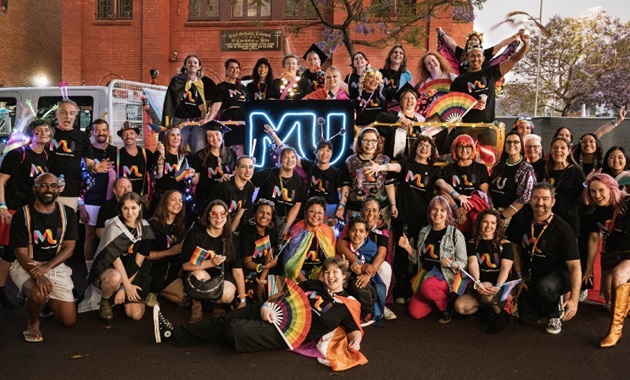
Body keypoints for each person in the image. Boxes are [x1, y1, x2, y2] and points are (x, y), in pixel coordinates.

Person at [153, 257, 367, 371]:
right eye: (327, 272)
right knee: (228, 319)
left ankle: (222, 338)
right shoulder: (312, 284)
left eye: (335, 273)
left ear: (344, 276)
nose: (330, 277)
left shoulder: (346, 304)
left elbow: (354, 329)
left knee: (233, 330)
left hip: (286, 334)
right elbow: (284, 292)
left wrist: (355, 343)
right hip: (271, 311)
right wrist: (267, 306)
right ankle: (174, 333)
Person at [368, 136, 471, 302]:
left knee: (418, 256)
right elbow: (394, 167)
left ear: (431, 152)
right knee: (401, 255)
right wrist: (380, 167)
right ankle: (400, 292)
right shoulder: (406, 164)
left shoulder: (433, 171)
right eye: (421, 145)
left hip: (423, 220)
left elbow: (444, 185)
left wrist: (457, 196)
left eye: (428, 147)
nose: (424, 148)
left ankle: (415, 290)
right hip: (403, 217)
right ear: (415, 147)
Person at [9, 173, 78, 341]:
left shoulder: (67, 214)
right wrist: (38, 274)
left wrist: (46, 269)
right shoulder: (22, 215)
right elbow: (20, 253)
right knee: (38, 294)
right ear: (35, 188)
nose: (49, 190)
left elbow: (69, 248)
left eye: (53, 186)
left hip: (54, 265)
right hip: (27, 264)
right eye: (43, 185)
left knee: (68, 321)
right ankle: (33, 321)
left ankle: (43, 302)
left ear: (59, 189)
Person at [507, 182, 581, 334]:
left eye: (545, 199)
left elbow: (575, 266)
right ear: (530, 199)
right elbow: (513, 246)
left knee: (546, 287)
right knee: (525, 318)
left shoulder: (563, 229)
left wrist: (574, 299)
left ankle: (554, 314)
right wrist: (519, 275)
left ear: (553, 202)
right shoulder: (521, 221)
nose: (540, 203)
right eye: (536, 198)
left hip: (558, 276)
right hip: (531, 275)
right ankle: (545, 302)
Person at [0, 119, 52, 309]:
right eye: (38, 131)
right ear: (31, 134)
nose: (43, 133)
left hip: (31, 210)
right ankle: (1, 289)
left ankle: (25, 290)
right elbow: (1, 180)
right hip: (13, 208)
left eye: (46, 130)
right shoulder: (18, 154)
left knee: (29, 249)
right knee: (8, 251)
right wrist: (2, 206)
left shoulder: (45, 155)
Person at [398, 195, 467, 323]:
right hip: (426, 275)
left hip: (447, 276)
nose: (438, 213)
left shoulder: (455, 234)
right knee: (415, 313)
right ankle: (435, 300)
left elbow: (464, 263)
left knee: (428, 287)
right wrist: (407, 247)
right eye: (434, 209)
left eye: (442, 210)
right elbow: (418, 260)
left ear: (447, 213)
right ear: (430, 212)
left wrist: (453, 263)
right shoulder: (424, 232)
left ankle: (446, 306)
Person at [89, 192, 155, 322]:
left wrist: (126, 288)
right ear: (120, 209)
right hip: (112, 268)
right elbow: (115, 260)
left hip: (133, 271)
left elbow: (138, 263)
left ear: (140, 208)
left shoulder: (146, 228)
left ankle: (123, 297)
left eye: (133, 208)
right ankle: (106, 300)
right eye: (125, 208)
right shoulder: (113, 227)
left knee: (135, 315)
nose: (130, 212)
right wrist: (124, 286)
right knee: (115, 277)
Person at [581, 173, 630, 347]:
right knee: (609, 298)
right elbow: (594, 240)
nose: (597, 195)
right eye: (593, 192)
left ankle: (615, 332)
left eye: (601, 190)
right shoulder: (593, 211)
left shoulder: (626, 204)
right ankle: (627, 303)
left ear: (611, 188)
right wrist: (588, 269)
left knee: (619, 275)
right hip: (611, 253)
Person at [180, 200, 245, 323]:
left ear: (227, 216)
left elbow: (237, 271)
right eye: (214, 214)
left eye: (223, 213)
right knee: (197, 276)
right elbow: (185, 266)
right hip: (201, 272)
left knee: (228, 294)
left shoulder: (233, 239)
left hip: (221, 276)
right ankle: (196, 303)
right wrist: (211, 263)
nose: (219, 217)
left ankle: (217, 304)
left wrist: (243, 300)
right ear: (208, 216)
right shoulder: (196, 233)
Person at [454, 209, 514, 334]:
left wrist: (497, 286)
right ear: (479, 223)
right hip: (479, 284)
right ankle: (487, 310)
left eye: (492, 223)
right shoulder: (472, 243)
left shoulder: (505, 244)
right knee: (460, 307)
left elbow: (505, 268)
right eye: (485, 222)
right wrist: (477, 282)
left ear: (497, 225)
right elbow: (473, 263)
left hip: (499, 285)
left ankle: (499, 315)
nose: (488, 226)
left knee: (487, 291)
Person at [449, 30, 530, 123]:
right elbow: (451, 102)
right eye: (472, 56)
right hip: (466, 126)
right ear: (467, 58)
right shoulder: (459, 80)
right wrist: (471, 104)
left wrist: (525, 45)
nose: (476, 59)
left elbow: (513, 60)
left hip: (488, 126)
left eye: (479, 56)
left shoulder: (491, 72)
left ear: (483, 58)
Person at [337, 199, 395, 322]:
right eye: (367, 209)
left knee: (385, 268)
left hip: (372, 263)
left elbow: (381, 254)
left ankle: (381, 303)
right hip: (354, 261)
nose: (370, 214)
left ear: (379, 212)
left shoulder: (382, 228)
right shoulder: (354, 223)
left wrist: (368, 273)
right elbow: (341, 245)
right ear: (362, 210)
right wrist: (360, 265)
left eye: (374, 210)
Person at [264, 127, 342, 217]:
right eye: (322, 150)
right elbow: (288, 152)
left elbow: (340, 193)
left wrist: (341, 207)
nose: (325, 153)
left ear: (331, 154)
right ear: (316, 153)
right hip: (312, 208)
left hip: (330, 209)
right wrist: (274, 135)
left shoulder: (337, 173)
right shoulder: (310, 167)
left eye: (328, 150)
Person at [48, 99, 111, 210]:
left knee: (66, 224)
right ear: (57, 114)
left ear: (75, 116)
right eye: (63, 112)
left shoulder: (82, 137)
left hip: (70, 191)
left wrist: (95, 168)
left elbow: (89, 164)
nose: (68, 116)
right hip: (46, 189)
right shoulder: (48, 133)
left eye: (72, 113)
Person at [79, 119, 117, 279]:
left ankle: (104, 269)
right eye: (97, 130)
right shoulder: (86, 152)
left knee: (109, 236)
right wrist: (81, 204)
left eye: (104, 130)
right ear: (92, 133)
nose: (101, 133)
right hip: (90, 200)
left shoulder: (116, 151)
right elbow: (79, 178)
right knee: (91, 236)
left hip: (111, 202)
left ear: (108, 132)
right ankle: (89, 271)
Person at [337, 127, 396, 224]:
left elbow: (389, 185)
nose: (369, 144)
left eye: (373, 141)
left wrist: (393, 204)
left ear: (378, 142)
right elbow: (346, 185)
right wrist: (342, 205)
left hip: (380, 209)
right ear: (360, 141)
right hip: (356, 208)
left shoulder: (385, 160)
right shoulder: (350, 161)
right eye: (366, 140)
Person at [251, 146, 307, 237]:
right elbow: (248, 184)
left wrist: (287, 227)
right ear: (280, 160)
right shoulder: (268, 174)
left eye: (293, 157)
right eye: (286, 157)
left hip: (281, 223)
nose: (290, 160)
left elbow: (296, 206)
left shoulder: (299, 181)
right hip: (261, 220)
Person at [278, 196, 336, 282]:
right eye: (312, 211)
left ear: (324, 215)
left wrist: (323, 275)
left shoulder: (328, 232)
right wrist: (305, 282)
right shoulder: (296, 231)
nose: (316, 215)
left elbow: (330, 259)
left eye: (320, 212)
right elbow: (289, 265)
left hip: (319, 273)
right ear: (305, 213)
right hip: (298, 274)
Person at [147, 190, 187, 307]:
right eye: (173, 199)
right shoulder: (153, 224)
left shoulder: (180, 226)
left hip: (171, 272)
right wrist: (169, 252)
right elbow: (145, 254)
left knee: (185, 299)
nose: (177, 203)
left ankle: (158, 291)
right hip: (154, 272)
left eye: (180, 201)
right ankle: (151, 290)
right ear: (165, 202)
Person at [161, 54, 208, 155]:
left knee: (199, 150)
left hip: (196, 122)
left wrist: (204, 116)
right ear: (185, 66)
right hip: (180, 121)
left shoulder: (200, 83)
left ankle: (196, 170)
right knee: (179, 149)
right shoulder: (177, 80)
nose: (192, 64)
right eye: (189, 62)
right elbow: (171, 100)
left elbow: (202, 103)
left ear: (199, 67)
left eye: (195, 62)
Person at [441, 134, 491, 230]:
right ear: (455, 149)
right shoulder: (447, 169)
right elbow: (443, 191)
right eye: (460, 146)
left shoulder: (481, 168)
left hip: (474, 211)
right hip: (453, 211)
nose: (464, 150)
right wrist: (456, 209)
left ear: (472, 149)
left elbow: (482, 193)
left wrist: (464, 210)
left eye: (468, 146)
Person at [191, 120, 236, 217]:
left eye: (217, 134)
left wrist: (230, 176)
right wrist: (190, 174)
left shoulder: (230, 154)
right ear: (206, 138)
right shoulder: (200, 155)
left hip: (225, 197)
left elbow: (235, 175)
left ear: (222, 135)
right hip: (205, 197)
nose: (214, 138)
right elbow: (195, 181)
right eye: (210, 136)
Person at [489, 131, 535, 223]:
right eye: (509, 142)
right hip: (493, 214)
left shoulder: (526, 169)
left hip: (513, 218)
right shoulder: (497, 165)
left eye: (516, 142)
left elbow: (523, 199)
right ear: (505, 146)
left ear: (521, 147)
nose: (512, 144)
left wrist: (502, 216)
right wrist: (491, 211)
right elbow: (490, 189)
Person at [543, 137, 585, 233]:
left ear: (569, 151)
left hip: (568, 221)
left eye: (562, 148)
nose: (558, 150)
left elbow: (583, 199)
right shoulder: (545, 169)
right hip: (546, 219)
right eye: (555, 147)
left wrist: (588, 183)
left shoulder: (576, 171)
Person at [206, 58, 248, 156]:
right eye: (232, 68)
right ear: (227, 70)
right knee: (230, 145)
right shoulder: (221, 87)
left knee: (243, 146)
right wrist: (209, 119)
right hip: (229, 119)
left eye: (237, 68)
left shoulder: (244, 89)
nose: (235, 70)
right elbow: (217, 105)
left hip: (243, 120)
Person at [437, 28, 522, 74]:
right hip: (463, 84)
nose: (473, 41)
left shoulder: (485, 54)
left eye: (475, 40)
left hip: (480, 84)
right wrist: (442, 33)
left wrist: (516, 36)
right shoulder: (462, 54)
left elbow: (501, 44)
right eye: (471, 40)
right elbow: (451, 43)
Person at [240, 199, 278, 303]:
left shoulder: (272, 232)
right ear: (254, 214)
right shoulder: (246, 233)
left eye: (268, 213)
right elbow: (247, 263)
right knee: (252, 298)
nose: (264, 216)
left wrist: (262, 279)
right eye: (261, 212)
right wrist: (264, 267)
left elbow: (269, 258)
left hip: (264, 272)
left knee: (277, 294)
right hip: (248, 272)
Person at [375, 83, 426, 159]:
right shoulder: (394, 115)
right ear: (401, 102)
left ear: (416, 101)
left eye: (412, 98)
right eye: (406, 98)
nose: (409, 101)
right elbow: (380, 117)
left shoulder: (422, 120)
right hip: (397, 161)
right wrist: (400, 120)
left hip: (416, 160)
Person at [114, 121, 159, 205]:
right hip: (123, 199)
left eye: (131, 133)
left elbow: (155, 174)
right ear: (121, 137)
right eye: (125, 134)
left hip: (142, 199)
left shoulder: (146, 154)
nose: (128, 136)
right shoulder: (116, 155)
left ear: (136, 135)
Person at [572, 106, 626, 175]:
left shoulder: (604, 166)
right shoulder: (573, 162)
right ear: (580, 145)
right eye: (584, 141)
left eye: (591, 141)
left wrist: (618, 120)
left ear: (597, 144)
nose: (588, 144)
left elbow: (600, 132)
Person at [154, 126, 195, 212]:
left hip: (181, 197)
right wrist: (161, 155)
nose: (176, 138)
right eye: (172, 135)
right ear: (167, 137)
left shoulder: (187, 156)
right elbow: (158, 175)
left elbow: (193, 180)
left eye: (178, 135)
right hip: (163, 196)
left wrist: (191, 174)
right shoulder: (159, 153)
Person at [209, 155, 255, 232]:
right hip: (212, 224)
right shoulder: (224, 187)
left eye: (250, 167)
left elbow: (238, 216)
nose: (248, 170)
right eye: (244, 167)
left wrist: (229, 235)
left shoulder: (250, 187)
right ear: (236, 169)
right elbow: (213, 215)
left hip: (228, 224)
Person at [380, 45, 414, 111]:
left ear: (403, 58)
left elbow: (411, 93)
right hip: (383, 109)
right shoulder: (380, 73)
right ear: (390, 56)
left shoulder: (407, 75)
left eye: (401, 53)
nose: (398, 54)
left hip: (400, 110)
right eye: (395, 52)